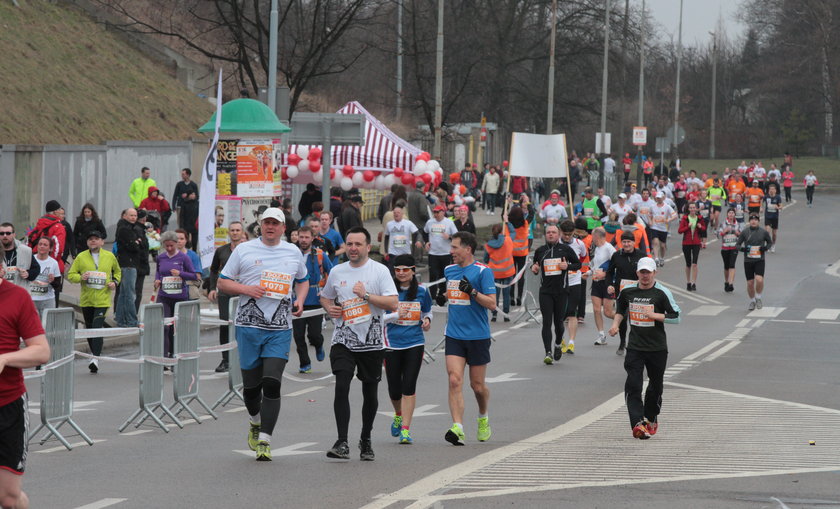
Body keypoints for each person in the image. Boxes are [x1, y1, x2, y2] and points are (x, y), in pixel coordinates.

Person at [218, 208, 309, 461]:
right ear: (260, 225)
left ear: (283, 228)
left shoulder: (292, 251)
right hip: (248, 327)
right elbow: (223, 282)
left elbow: (303, 280)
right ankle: (255, 421)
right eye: (267, 223)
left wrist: (300, 300)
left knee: (272, 381)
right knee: (251, 388)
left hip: (279, 328)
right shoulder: (244, 250)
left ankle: (265, 440)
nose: (270, 227)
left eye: (275, 223)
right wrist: (247, 288)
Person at [319, 227, 398, 461]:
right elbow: (325, 296)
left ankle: (366, 438)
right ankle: (342, 441)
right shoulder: (337, 271)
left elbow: (393, 303)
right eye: (349, 244)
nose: (353, 248)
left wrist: (366, 296)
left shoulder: (379, 271)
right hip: (344, 338)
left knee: (369, 391)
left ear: (368, 247)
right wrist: (329, 307)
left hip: (371, 342)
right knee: (341, 384)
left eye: (358, 244)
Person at [608, 257, 680, 439]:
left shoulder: (662, 293)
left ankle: (651, 417)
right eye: (642, 272)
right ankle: (637, 424)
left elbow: (676, 316)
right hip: (635, 347)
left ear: (655, 273)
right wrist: (616, 325)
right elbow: (620, 310)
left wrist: (654, 315)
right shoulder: (627, 291)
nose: (645, 276)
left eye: (648, 272)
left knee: (655, 388)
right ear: (637, 273)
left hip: (657, 348)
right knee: (633, 384)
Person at [0, 258, 50, 509]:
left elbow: (41, 352)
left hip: (7, 404)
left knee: (8, 498)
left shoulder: (17, 298)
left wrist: (6, 358)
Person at [442, 231, 496, 446]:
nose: (451, 251)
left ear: (468, 249)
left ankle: (483, 416)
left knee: (477, 386)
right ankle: (458, 427)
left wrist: (472, 292)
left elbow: (491, 304)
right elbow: (451, 292)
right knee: (454, 379)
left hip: (478, 336)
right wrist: (442, 295)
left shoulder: (483, 272)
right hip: (454, 334)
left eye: (455, 248)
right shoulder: (449, 270)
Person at [383, 254, 432, 445]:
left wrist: (427, 320)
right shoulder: (387, 292)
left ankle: (405, 429)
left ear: (413, 271)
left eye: (405, 269)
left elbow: (427, 310)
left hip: (414, 342)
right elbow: (378, 316)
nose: (402, 273)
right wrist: (395, 315)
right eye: (398, 270)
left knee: (408, 386)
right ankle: (398, 413)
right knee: (394, 389)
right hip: (391, 343)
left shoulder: (421, 291)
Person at [66, 230, 120, 373]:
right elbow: (71, 275)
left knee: (97, 326)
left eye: (96, 239)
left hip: (103, 299)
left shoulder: (109, 256)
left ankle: (95, 358)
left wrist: (114, 282)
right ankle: (93, 355)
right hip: (87, 300)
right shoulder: (81, 257)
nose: (93, 241)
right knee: (90, 330)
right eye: (90, 239)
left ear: (102, 242)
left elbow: (118, 272)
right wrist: (81, 277)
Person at [531, 225, 580, 364]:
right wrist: (533, 268)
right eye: (548, 233)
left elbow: (578, 264)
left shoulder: (565, 249)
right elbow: (535, 267)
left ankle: (558, 344)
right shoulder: (540, 251)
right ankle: (548, 352)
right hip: (545, 292)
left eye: (553, 232)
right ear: (545, 235)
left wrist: (568, 267)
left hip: (561, 292)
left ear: (558, 235)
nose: (550, 234)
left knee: (558, 323)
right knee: (546, 322)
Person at [292, 226, 333, 374]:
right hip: (296, 300)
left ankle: (318, 345)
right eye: (300, 237)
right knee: (298, 336)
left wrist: (330, 292)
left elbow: (332, 272)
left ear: (312, 238)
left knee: (314, 334)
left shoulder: (320, 255)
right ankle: (305, 363)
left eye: (306, 237)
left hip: (315, 300)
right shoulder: (291, 253)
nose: (303, 240)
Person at [206, 221, 245, 373]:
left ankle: (242, 357)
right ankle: (226, 359)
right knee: (225, 324)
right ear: (229, 232)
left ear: (242, 233)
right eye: (232, 230)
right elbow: (214, 270)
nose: (235, 233)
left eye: (238, 230)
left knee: (242, 325)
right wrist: (211, 288)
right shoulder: (221, 250)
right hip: (225, 293)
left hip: (243, 293)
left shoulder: (247, 250)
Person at [153, 231, 198, 362]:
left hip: (180, 297)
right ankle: (165, 356)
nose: (169, 248)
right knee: (165, 326)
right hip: (164, 296)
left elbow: (194, 275)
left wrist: (180, 273)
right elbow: (158, 272)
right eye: (166, 246)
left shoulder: (184, 258)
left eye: (171, 245)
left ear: (176, 244)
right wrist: (157, 280)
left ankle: (175, 354)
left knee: (175, 328)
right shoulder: (161, 257)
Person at [606, 231, 647, 356]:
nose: (626, 244)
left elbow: (647, 272)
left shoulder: (641, 255)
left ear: (634, 242)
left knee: (635, 318)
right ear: (621, 242)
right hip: (622, 291)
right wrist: (610, 285)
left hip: (637, 291)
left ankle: (635, 343)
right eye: (624, 242)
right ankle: (622, 342)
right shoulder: (616, 255)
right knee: (622, 317)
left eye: (629, 241)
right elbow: (609, 272)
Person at [558, 219, 588, 354]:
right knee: (560, 314)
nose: (567, 237)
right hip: (559, 282)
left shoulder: (579, 244)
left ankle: (571, 342)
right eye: (565, 234)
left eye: (570, 234)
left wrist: (572, 268)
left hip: (575, 280)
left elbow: (582, 258)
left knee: (571, 312)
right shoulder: (556, 244)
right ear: (560, 232)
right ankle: (561, 339)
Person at [29, 200, 67, 306]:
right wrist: (51, 264)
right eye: (60, 210)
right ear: (55, 212)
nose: (62, 212)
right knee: (52, 296)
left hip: (34, 262)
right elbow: (58, 249)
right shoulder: (58, 227)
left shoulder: (40, 223)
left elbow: (30, 241)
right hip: (50, 265)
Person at [114, 208, 145, 328]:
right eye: (131, 215)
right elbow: (134, 246)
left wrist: (137, 242)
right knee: (129, 293)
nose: (133, 217)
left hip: (129, 264)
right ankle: (131, 320)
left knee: (124, 293)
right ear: (125, 216)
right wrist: (136, 242)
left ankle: (121, 319)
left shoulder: (130, 228)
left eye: (135, 215)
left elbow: (140, 244)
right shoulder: (125, 229)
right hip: (128, 264)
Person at [736, 214, 773, 311]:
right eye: (752, 220)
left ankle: (758, 297)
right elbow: (737, 245)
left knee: (759, 280)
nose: (753, 221)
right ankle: (752, 301)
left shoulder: (763, 232)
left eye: (756, 220)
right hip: (748, 261)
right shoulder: (745, 232)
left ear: (758, 221)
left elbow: (770, 243)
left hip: (759, 260)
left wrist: (764, 248)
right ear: (749, 221)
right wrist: (744, 249)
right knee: (750, 283)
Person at [424, 204, 458, 306]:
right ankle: (432, 298)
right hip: (433, 253)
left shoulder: (449, 222)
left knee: (444, 276)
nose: (436, 214)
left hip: (445, 253)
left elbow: (457, 236)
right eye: (434, 212)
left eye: (438, 212)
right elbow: (425, 232)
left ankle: (441, 297)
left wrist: (449, 237)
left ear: (443, 212)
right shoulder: (430, 222)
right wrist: (426, 242)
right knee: (433, 275)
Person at [589, 227, 617, 345]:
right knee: (596, 310)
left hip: (607, 283)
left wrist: (605, 274)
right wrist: (589, 272)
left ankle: (622, 318)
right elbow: (594, 265)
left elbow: (616, 266)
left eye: (592, 236)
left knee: (607, 312)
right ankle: (601, 335)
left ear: (598, 237)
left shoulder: (609, 248)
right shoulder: (595, 248)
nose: (591, 238)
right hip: (596, 282)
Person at [484, 221, 515, 323]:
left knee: (494, 295)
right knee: (506, 294)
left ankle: (494, 315)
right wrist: (507, 222)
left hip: (494, 273)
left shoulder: (488, 245)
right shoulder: (508, 240)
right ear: (502, 231)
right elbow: (513, 232)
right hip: (507, 272)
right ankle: (506, 315)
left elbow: (485, 259)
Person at [383, 204, 423, 272]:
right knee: (393, 273)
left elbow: (418, 233)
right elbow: (386, 237)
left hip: (405, 253)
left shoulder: (408, 223)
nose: (396, 214)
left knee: (406, 273)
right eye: (394, 213)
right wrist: (386, 251)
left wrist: (418, 240)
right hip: (393, 254)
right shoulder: (389, 224)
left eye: (398, 213)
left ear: (402, 214)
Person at [28, 237, 61, 318]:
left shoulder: (54, 263)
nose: (42, 246)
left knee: (47, 327)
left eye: (45, 245)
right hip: (31, 299)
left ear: (50, 249)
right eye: (40, 244)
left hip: (47, 300)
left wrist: (52, 281)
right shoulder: (30, 259)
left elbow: (58, 285)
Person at [0, 223, 39, 290]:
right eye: (2, 233)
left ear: (14, 234)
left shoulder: (25, 250)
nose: (5, 236)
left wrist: (28, 274)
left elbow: (36, 269)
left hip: (20, 293)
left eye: (8, 233)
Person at [677, 203, 706, 292]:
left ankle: (694, 283)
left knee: (695, 264)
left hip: (696, 242)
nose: (693, 209)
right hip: (686, 243)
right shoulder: (685, 218)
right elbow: (680, 231)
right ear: (688, 209)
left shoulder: (700, 218)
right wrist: (687, 227)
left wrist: (701, 227)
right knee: (688, 264)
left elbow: (704, 229)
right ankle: (688, 282)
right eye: (691, 208)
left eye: (694, 208)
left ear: (696, 209)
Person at [508, 204, 530, 307]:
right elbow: (532, 214)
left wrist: (507, 204)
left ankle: (511, 296)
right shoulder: (525, 224)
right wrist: (527, 203)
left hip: (511, 253)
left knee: (512, 275)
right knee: (520, 276)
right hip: (522, 253)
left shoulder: (508, 225)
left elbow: (503, 215)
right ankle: (519, 296)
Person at [649, 192, 676, 267]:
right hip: (654, 227)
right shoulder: (652, 206)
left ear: (663, 198)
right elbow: (649, 215)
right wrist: (650, 221)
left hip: (663, 228)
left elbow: (675, 215)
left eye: (660, 198)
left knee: (663, 246)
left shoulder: (667, 207)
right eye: (657, 198)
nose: (658, 199)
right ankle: (656, 258)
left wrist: (668, 220)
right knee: (655, 242)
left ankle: (662, 258)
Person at [717, 208, 741, 293]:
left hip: (734, 247)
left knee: (732, 265)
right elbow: (718, 235)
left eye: (732, 213)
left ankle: (731, 283)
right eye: (729, 213)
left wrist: (737, 233)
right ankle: (726, 282)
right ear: (727, 214)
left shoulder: (738, 224)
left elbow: (742, 235)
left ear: (735, 214)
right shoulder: (723, 224)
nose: (731, 214)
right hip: (725, 248)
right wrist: (724, 231)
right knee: (726, 266)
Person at [764, 185, 782, 253]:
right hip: (768, 216)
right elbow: (761, 200)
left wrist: (778, 207)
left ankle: (773, 245)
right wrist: (761, 208)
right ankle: (768, 244)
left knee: (774, 234)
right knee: (767, 231)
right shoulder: (766, 196)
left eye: (772, 189)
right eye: (770, 189)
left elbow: (781, 206)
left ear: (775, 190)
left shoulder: (778, 197)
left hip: (775, 217)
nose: (771, 190)